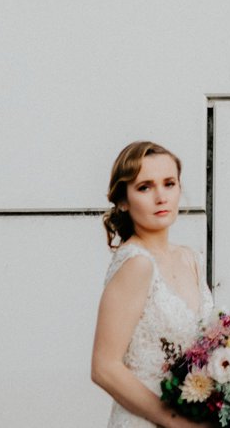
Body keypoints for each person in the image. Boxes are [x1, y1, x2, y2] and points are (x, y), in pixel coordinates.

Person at [91, 140, 216, 428]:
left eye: (169, 184)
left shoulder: (191, 259)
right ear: (123, 200)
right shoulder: (136, 264)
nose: (161, 197)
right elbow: (104, 367)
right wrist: (176, 423)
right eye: (145, 187)